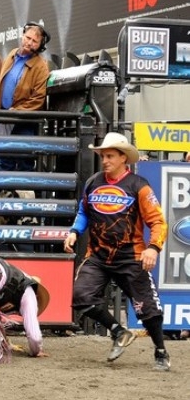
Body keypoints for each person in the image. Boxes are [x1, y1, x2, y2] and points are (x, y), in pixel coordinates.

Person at [63, 132, 170, 371]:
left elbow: (158, 221)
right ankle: (118, 331)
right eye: (103, 156)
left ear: (124, 158)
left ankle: (161, 350)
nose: (105, 161)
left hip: (132, 256)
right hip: (98, 256)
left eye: (110, 156)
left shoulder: (139, 186)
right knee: (80, 296)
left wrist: (153, 248)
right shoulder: (93, 182)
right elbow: (83, 212)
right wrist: (74, 231)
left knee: (147, 308)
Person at [0, 22, 51, 172]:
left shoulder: (41, 66)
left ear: (40, 45)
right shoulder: (12, 54)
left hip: (24, 119)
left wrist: (18, 110)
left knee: (24, 158)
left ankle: (24, 191)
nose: (29, 42)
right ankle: (4, 191)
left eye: (34, 41)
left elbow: (39, 98)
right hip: (5, 116)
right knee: (4, 158)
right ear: (22, 36)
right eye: (28, 38)